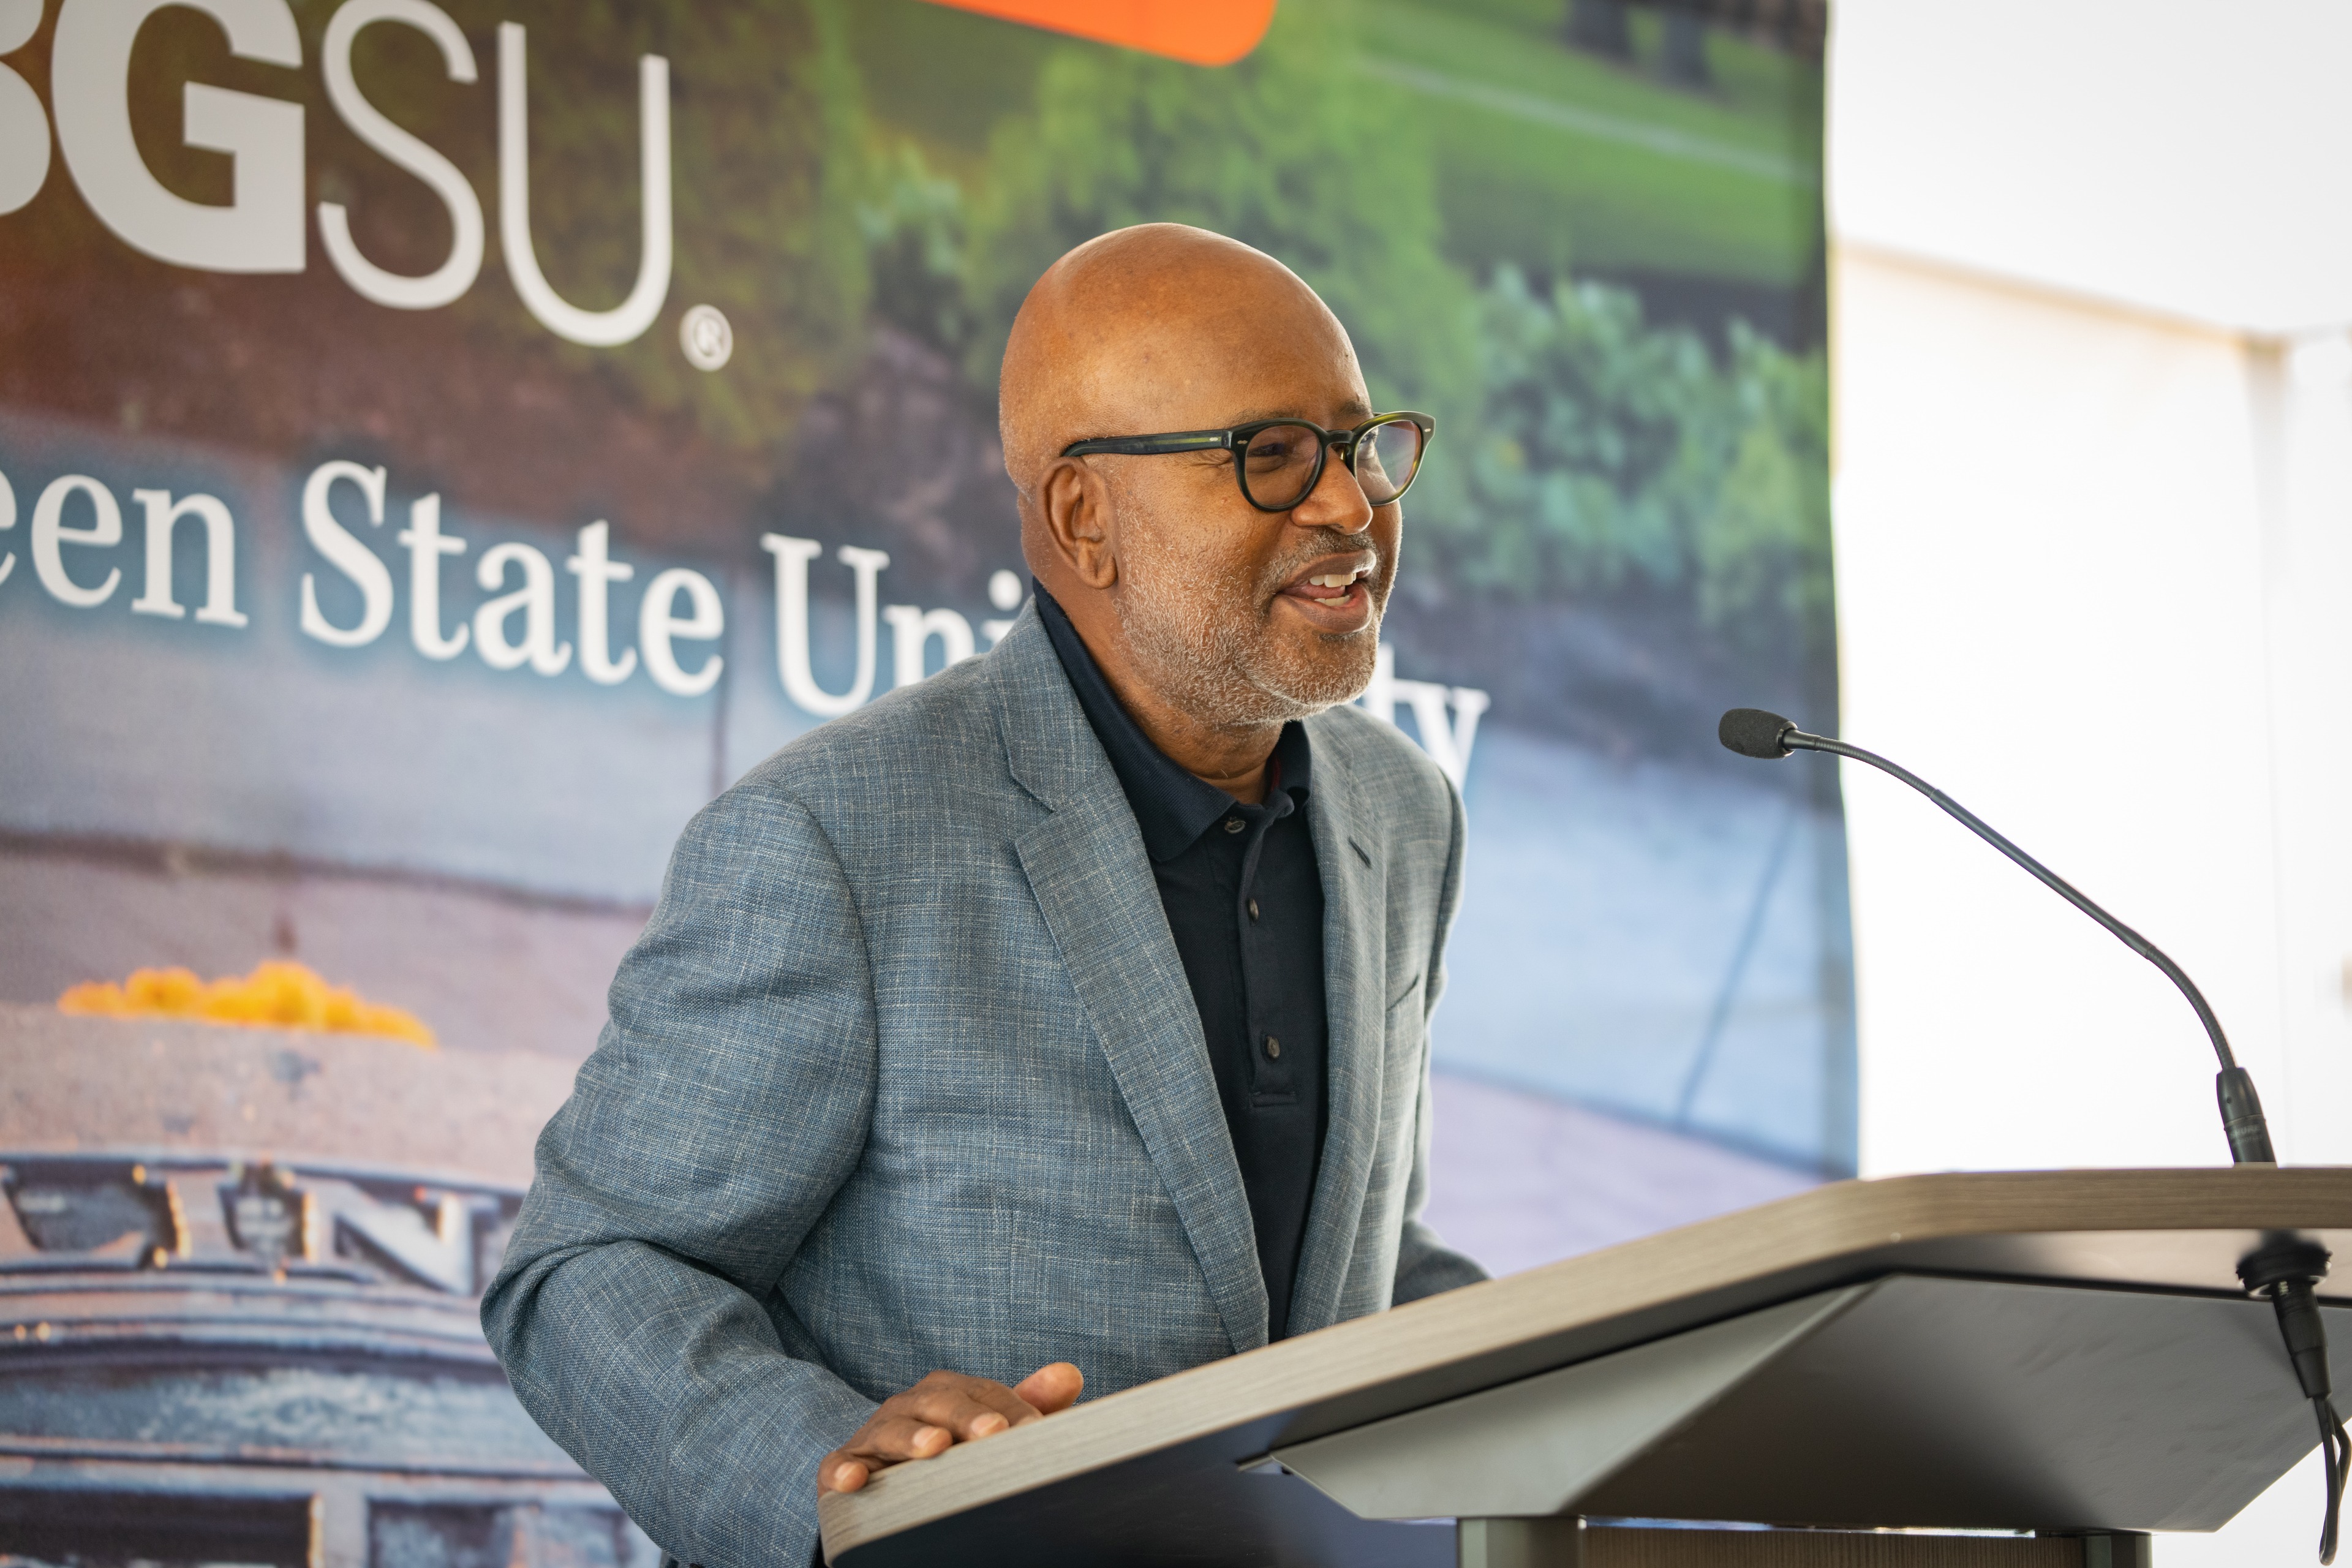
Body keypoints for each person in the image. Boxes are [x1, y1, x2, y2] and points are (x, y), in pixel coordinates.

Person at [481, 222, 1485, 1567]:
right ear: (1086, 517)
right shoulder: (829, 843)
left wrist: (1628, 1370)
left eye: (1361, 444)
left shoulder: (1403, 815)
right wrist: (838, 1476)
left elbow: (1349, 1266)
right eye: (1273, 456)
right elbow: (588, 1270)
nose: (1353, 506)